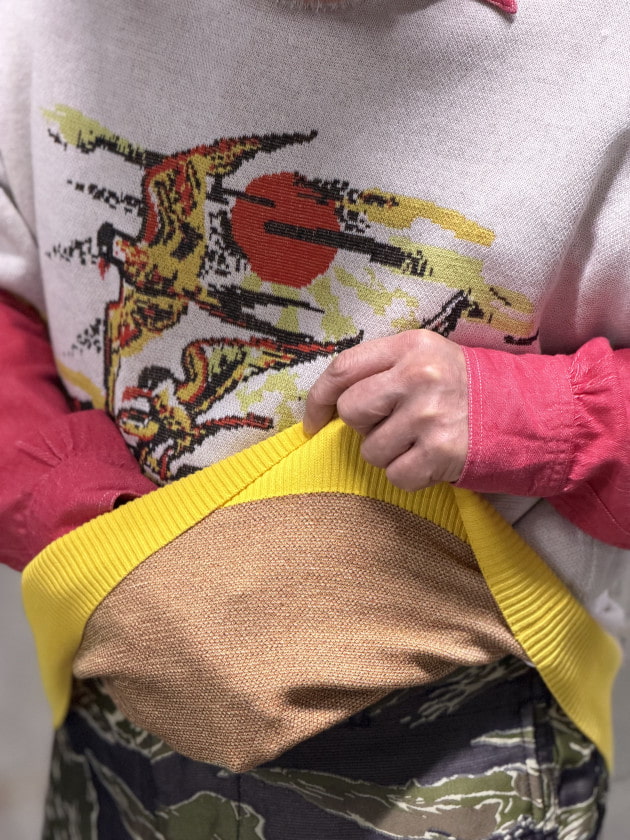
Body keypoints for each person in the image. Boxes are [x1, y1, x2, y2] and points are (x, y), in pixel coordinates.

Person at [1, 0, 629, 837]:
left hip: (463, 745)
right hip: (115, 706)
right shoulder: (50, 19)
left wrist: (535, 416)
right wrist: (82, 514)